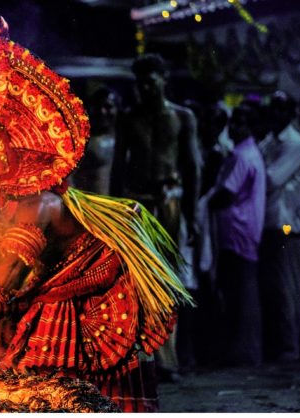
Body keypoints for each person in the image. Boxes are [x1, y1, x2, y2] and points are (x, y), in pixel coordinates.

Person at [0, 19, 191, 412]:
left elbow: (11, 273)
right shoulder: (33, 196)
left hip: (93, 283)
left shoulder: (36, 202)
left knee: (38, 349)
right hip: (71, 276)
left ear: (8, 163)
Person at [110, 53, 201, 380]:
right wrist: (115, 215)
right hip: (136, 205)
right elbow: (119, 168)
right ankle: (143, 358)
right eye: (141, 81)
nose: (146, 86)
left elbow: (192, 168)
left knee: (167, 281)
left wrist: (192, 216)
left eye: (151, 79)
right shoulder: (128, 117)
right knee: (136, 281)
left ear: (164, 79)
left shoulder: (182, 117)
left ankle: (167, 360)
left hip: (169, 203)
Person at [207, 103, 266, 366]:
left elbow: (225, 195)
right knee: (241, 292)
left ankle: (243, 352)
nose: (234, 127)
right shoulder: (247, 153)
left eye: (241, 122)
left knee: (240, 295)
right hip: (241, 232)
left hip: (237, 232)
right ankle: (244, 350)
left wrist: (203, 201)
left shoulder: (243, 157)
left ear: (251, 126)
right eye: (234, 121)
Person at [257, 91, 300, 362]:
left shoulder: (295, 144)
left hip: (287, 224)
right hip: (269, 222)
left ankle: (290, 348)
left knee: (286, 285)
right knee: (274, 286)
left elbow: (270, 178)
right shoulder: (270, 140)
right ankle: (280, 345)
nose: (275, 114)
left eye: (281, 109)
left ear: (290, 113)